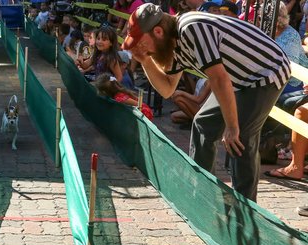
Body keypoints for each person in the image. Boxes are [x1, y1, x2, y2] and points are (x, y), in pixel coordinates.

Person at [122, 3, 290, 201]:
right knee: (204, 124)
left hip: (265, 72)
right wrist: (146, 61)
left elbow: (219, 79)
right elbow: (167, 89)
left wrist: (232, 126)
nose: (141, 49)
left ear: (158, 32)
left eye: (142, 43)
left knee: (240, 137)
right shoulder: (173, 44)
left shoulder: (191, 28)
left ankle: (244, 207)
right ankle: (202, 195)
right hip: (236, 78)